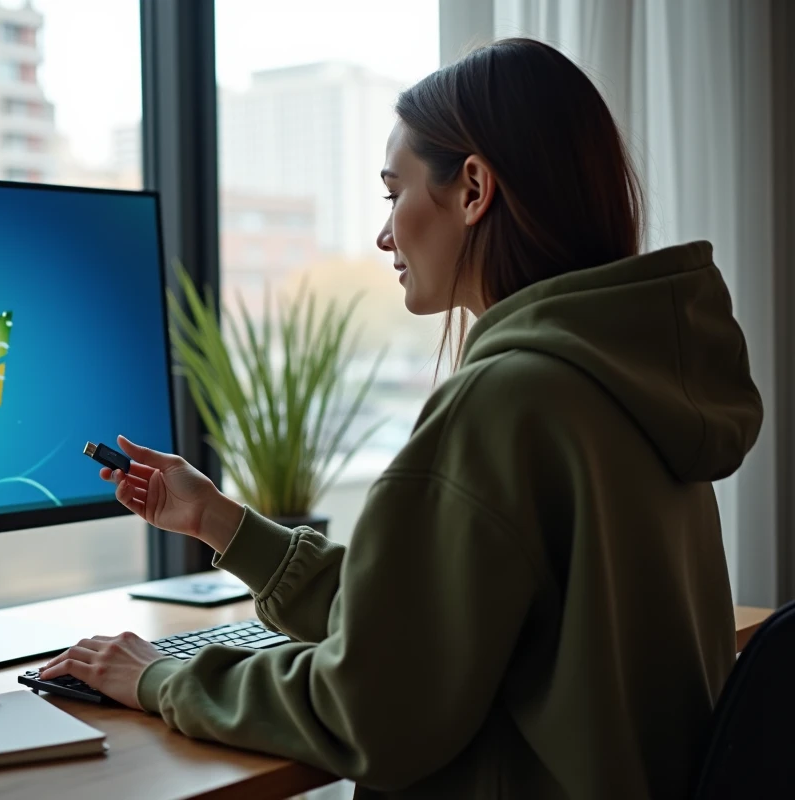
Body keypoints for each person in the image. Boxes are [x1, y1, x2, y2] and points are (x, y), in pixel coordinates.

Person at [39, 38, 762, 798]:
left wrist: (164, 678)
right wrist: (220, 521)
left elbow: (368, 709)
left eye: (394, 193)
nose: (384, 233)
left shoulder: (509, 401)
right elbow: (420, 620)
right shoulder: (627, 378)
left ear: (474, 188)